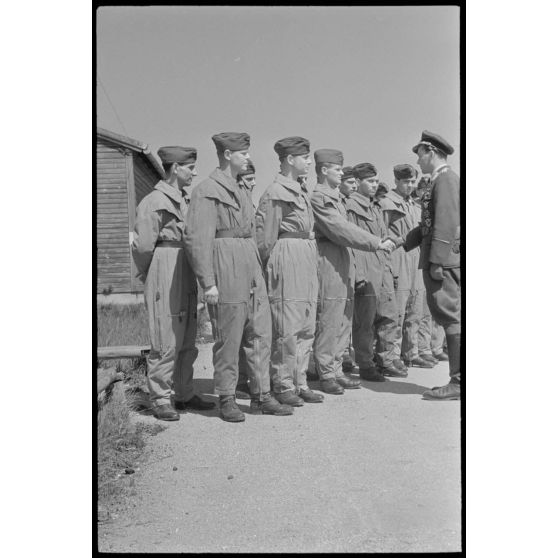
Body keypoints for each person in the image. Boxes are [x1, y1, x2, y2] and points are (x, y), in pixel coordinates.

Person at [184, 132, 294, 421]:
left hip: (249, 260)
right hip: (225, 260)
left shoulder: (240, 188)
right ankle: (227, 397)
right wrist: (208, 281)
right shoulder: (206, 190)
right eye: (242, 152)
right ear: (226, 155)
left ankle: (261, 394)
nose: (247, 156)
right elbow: (198, 239)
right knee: (229, 335)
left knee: (260, 329)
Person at [131, 146, 215, 421]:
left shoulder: (184, 201)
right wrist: (150, 273)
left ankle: (184, 393)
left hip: (185, 264)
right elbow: (143, 247)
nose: (194, 172)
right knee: (165, 335)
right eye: (190, 167)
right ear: (175, 168)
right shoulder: (154, 201)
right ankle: (160, 398)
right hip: (164, 264)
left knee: (188, 334)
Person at [310, 149, 395, 395]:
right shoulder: (319, 197)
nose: (342, 173)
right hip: (329, 257)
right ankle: (326, 372)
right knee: (330, 318)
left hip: (342, 257)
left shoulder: (335, 197)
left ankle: (336, 369)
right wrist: (376, 242)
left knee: (344, 319)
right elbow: (340, 228)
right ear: (324, 170)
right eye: (338, 169)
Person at [255, 136, 324, 405]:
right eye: (304, 156)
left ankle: (300, 381)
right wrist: (262, 271)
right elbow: (264, 239)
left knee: (307, 324)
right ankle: (283, 384)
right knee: (288, 325)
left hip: (306, 253)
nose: (308, 160)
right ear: (289, 160)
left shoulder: (301, 190)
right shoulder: (275, 192)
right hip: (287, 255)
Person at [405, 130, 461, 400]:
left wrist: (436, 261)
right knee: (450, 316)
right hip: (440, 257)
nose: (417, 162)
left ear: (430, 151)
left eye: (419, 155)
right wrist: (403, 242)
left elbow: (446, 223)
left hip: (444, 260)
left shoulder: (446, 179)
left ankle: (458, 382)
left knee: (451, 317)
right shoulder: (439, 179)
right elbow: (428, 224)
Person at [345, 163, 400, 382]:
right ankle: (365, 363)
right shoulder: (350, 206)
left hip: (382, 264)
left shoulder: (375, 206)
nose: (375, 185)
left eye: (376, 181)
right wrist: (357, 273)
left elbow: (384, 235)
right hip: (365, 265)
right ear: (358, 183)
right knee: (364, 320)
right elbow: (350, 239)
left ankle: (384, 359)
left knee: (388, 314)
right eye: (370, 181)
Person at [379, 164, 433, 371]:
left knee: (416, 306)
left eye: (412, 182)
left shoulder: (415, 205)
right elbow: (382, 234)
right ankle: (390, 356)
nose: (409, 185)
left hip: (415, 255)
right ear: (396, 181)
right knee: (397, 310)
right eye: (405, 181)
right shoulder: (386, 203)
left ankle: (411, 351)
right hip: (398, 255)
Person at [235, 160, 257, 399]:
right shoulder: (235, 202)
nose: (253, 184)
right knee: (235, 333)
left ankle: (245, 378)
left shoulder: (247, 201)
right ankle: (237, 382)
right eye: (249, 179)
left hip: (250, 270)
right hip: (234, 270)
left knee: (250, 330)